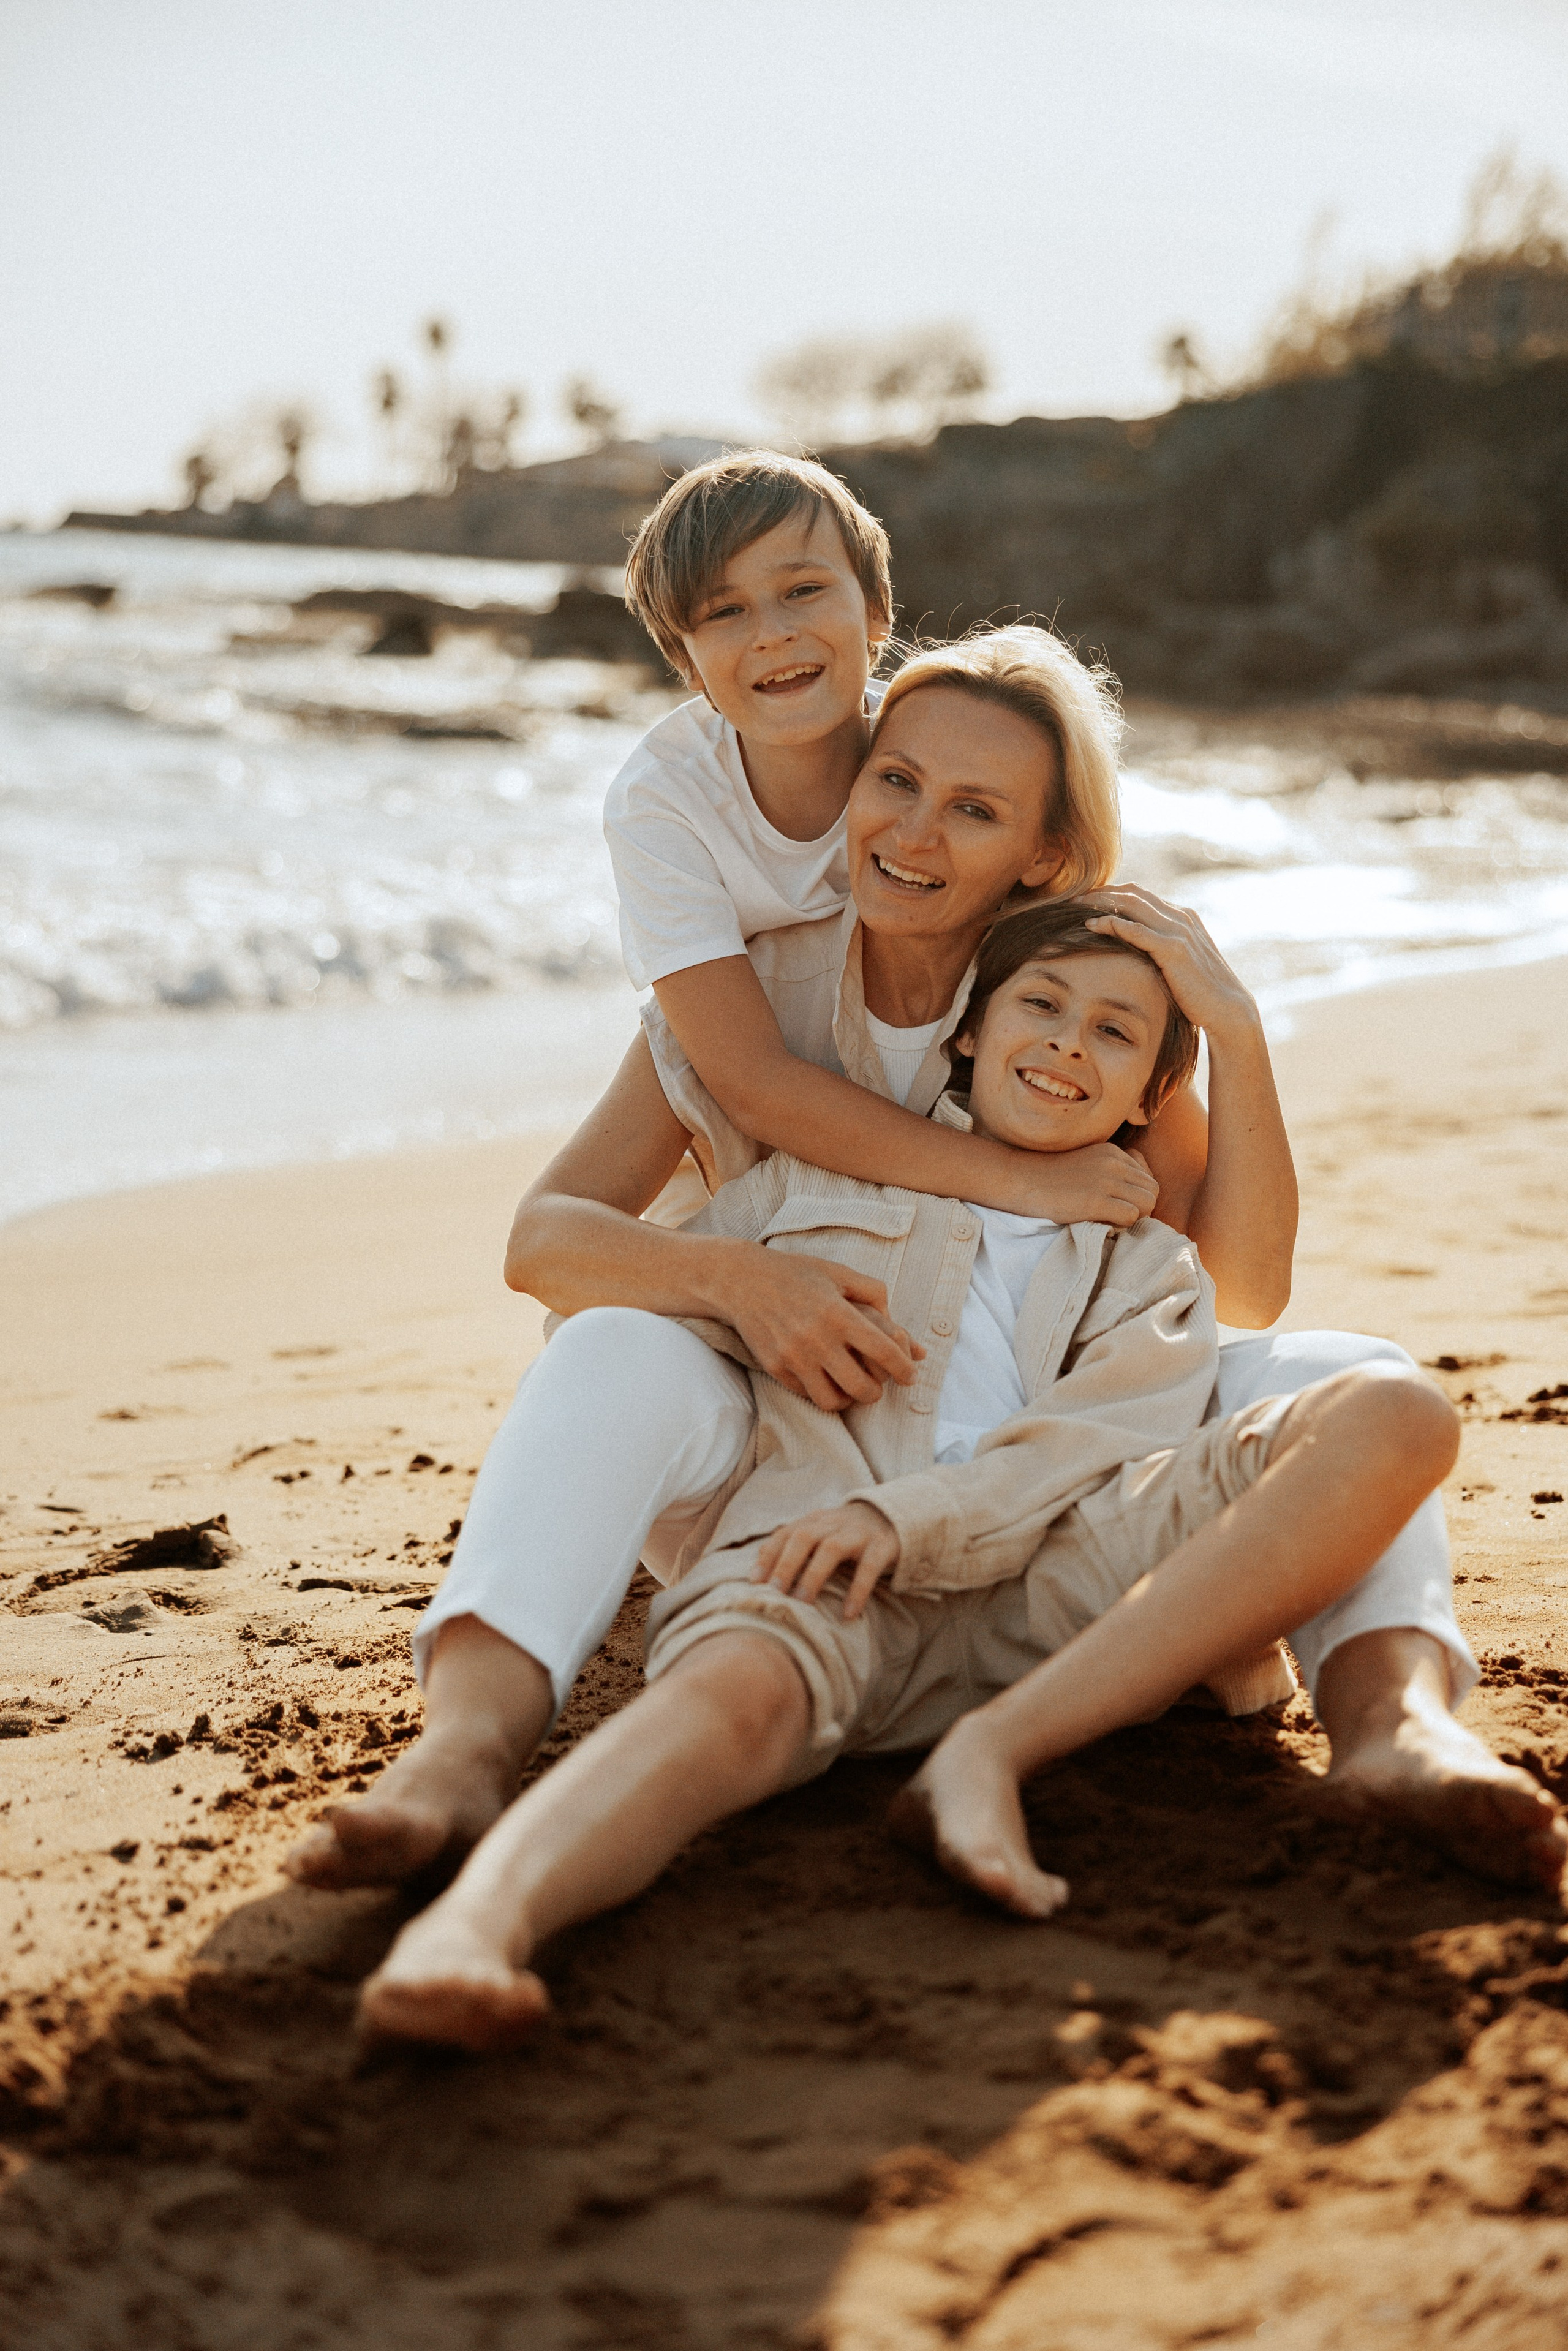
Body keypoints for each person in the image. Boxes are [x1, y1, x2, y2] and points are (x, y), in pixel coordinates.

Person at [356, 902, 1566, 2052]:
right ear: (969, 1029)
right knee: (715, 1696)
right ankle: (476, 1924)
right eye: (1040, 1004)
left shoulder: (1142, 1261)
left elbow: (1104, 1433)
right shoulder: (798, 1193)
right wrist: (730, 1296)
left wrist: (912, 1515)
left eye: (1112, 1032)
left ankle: (988, 1749)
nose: (1064, 1045)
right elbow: (603, 1306)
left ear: (1152, 1094)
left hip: (1057, 1574)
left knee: (1394, 1408)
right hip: (815, 1567)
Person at [287, 624, 1330, 1898]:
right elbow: (543, 1240)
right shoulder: (749, 990)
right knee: (612, 1339)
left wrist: (1238, 1033)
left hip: (994, 1478)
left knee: (1337, 1369)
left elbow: (1238, 1294)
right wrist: (743, 1280)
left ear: (1043, 854)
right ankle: (458, 1751)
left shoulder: (1060, 1019)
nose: (913, 832)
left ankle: (1403, 1733)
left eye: (973, 808)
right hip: (772, 1452)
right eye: (894, 779)